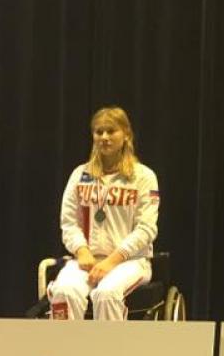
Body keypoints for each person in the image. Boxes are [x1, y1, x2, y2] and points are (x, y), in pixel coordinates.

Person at [48, 106, 160, 321]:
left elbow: (146, 229)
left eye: (111, 131)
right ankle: (64, 352)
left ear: (126, 134)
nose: (105, 137)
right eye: (99, 132)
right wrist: (81, 251)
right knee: (64, 291)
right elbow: (69, 222)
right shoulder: (80, 174)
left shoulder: (143, 176)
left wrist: (111, 261)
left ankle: (109, 354)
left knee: (106, 294)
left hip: (130, 262)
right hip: (87, 259)